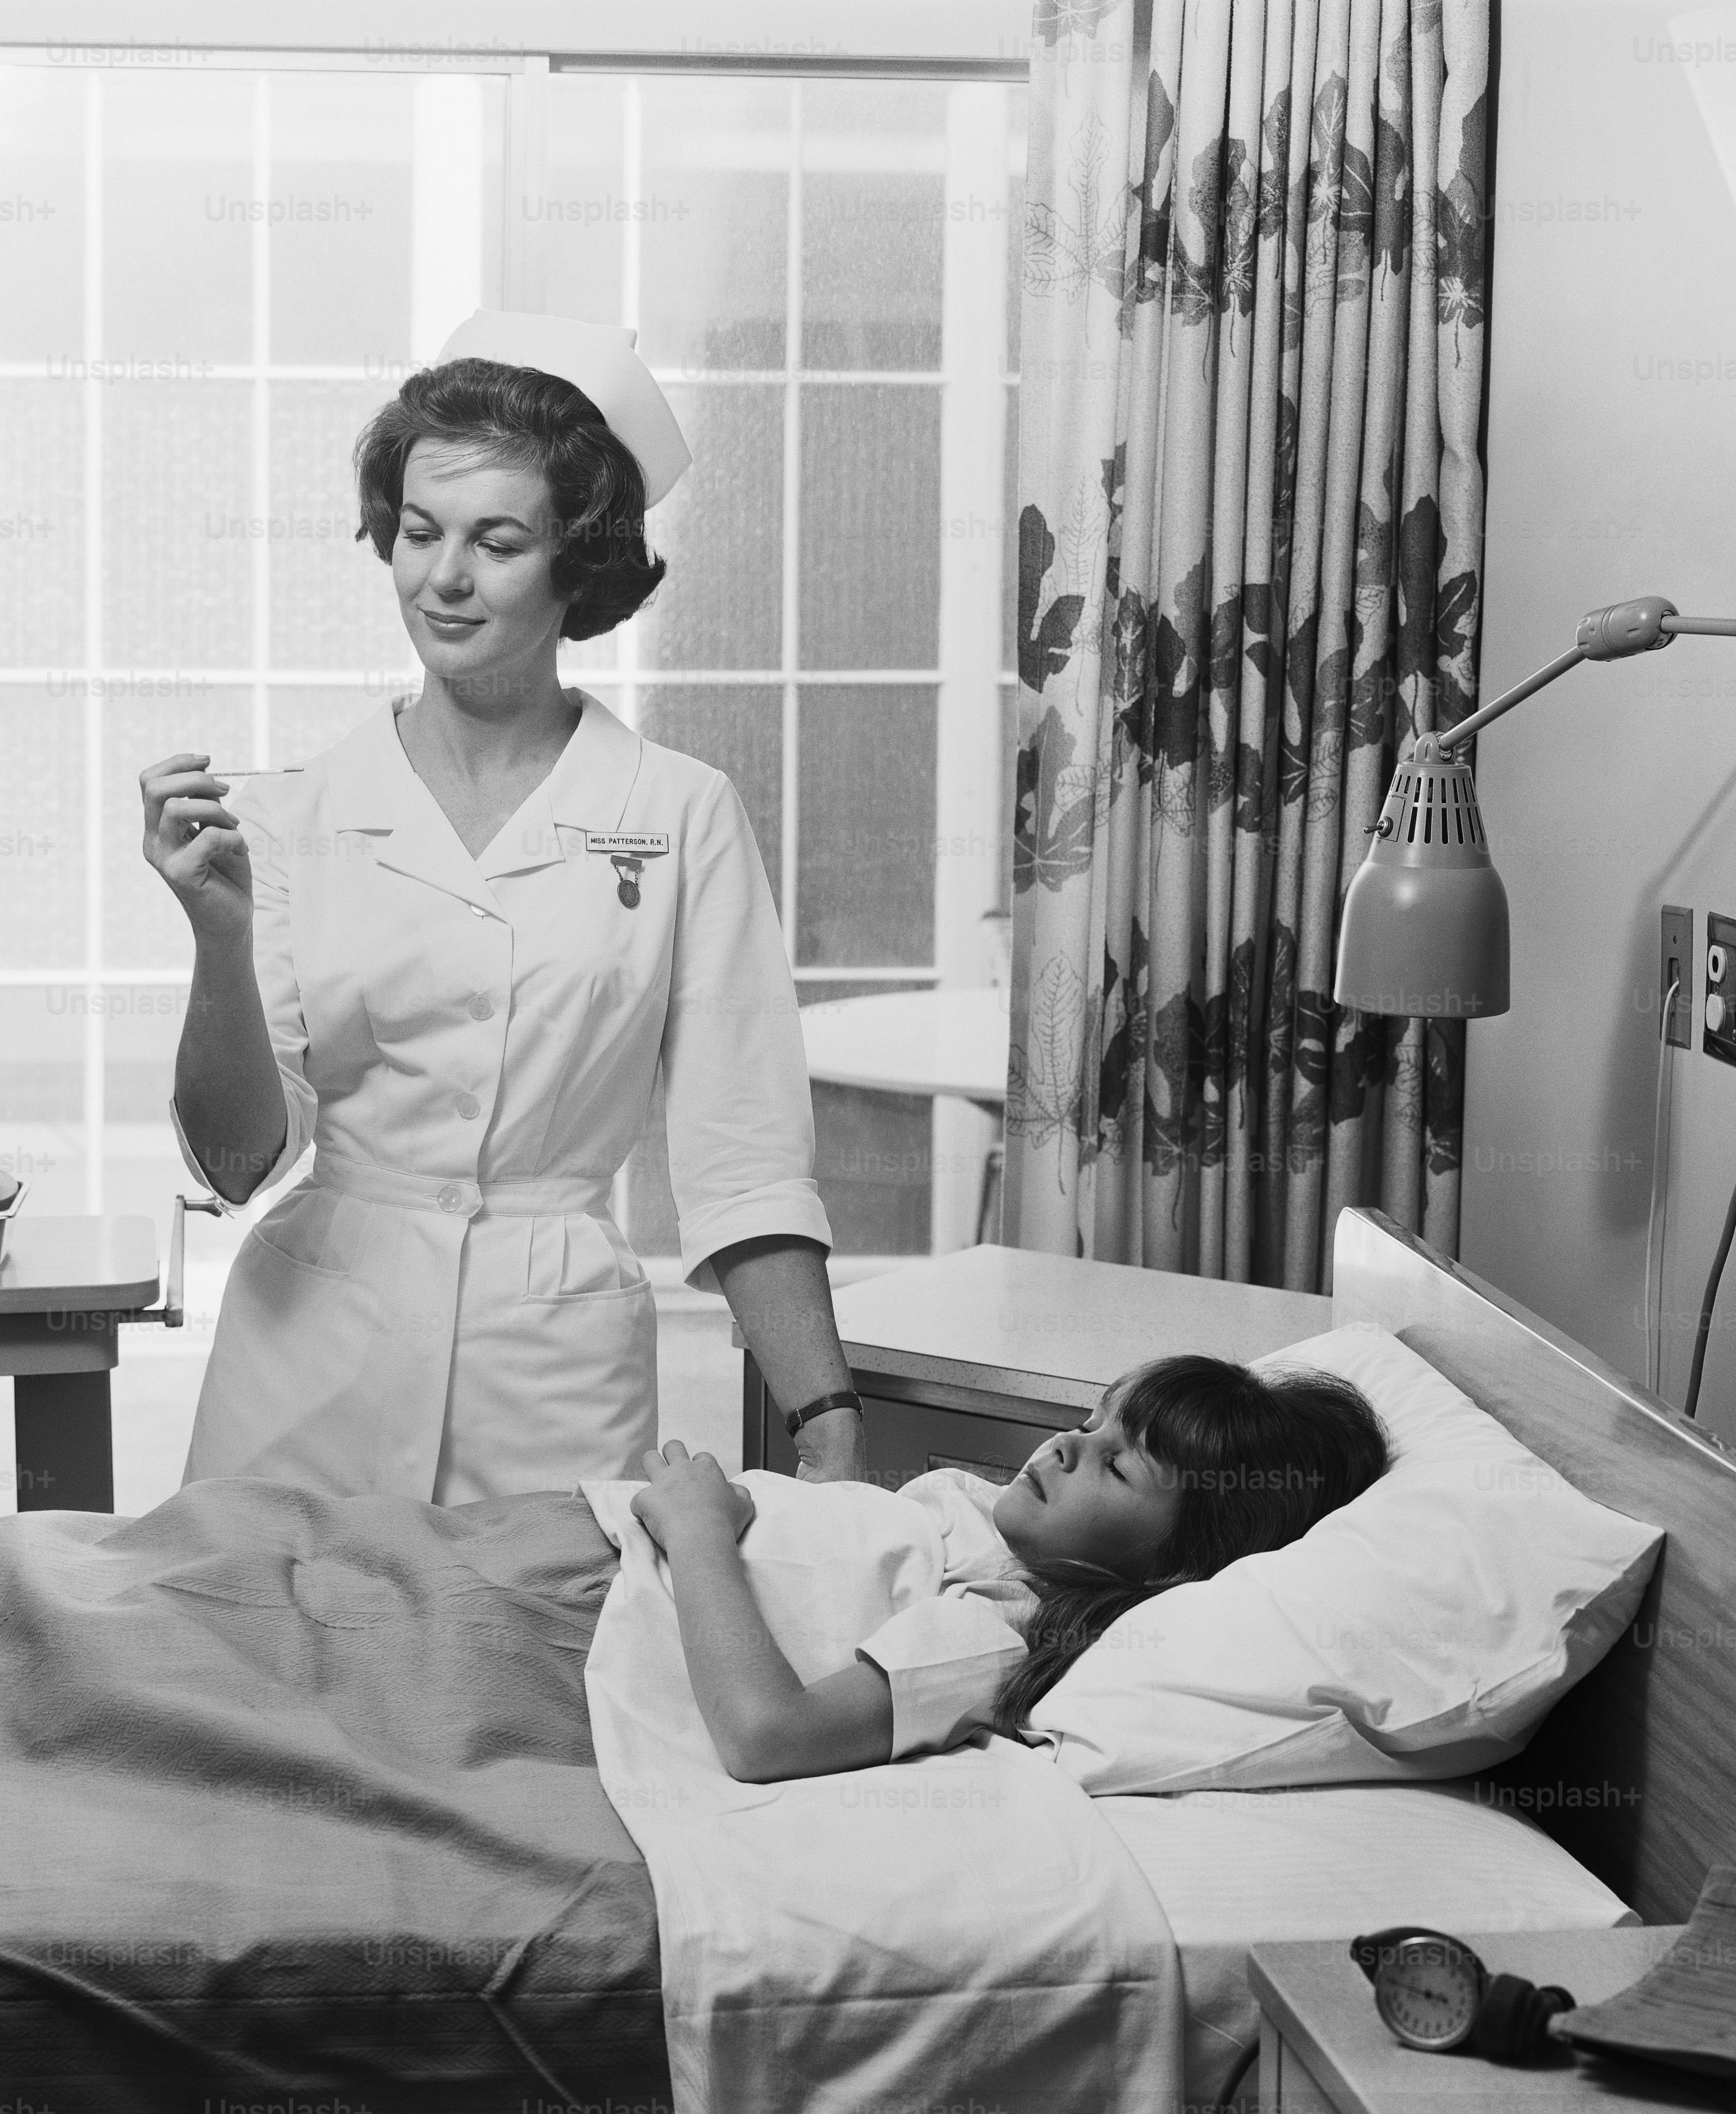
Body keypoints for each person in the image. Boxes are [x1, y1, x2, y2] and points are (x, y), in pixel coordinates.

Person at [140, 309, 867, 1504]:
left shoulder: (680, 814)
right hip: (305, 1364)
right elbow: (233, 1165)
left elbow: (743, 1159)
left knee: (525, 1678)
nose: (444, 578)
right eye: (417, 532)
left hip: (553, 1373)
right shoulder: (289, 820)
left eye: (498, 541)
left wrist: (827, 1417)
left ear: (575, 563)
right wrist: (216, 939)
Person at [628, 1354, 1389, 1781]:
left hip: (619, 1597)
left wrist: (697, 1529)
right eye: (1092, 1420)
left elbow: (768, 1736)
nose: (1064, 1444)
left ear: (1171, 1569)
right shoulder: (980, 1512)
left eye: (1116, 1467)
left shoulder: (1001, 1633)